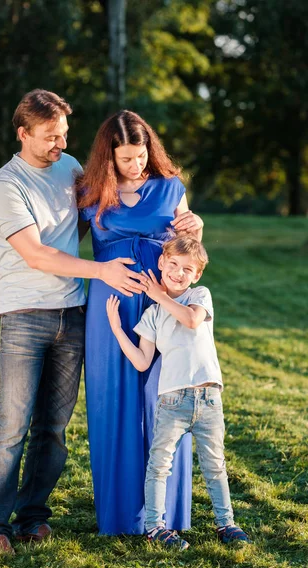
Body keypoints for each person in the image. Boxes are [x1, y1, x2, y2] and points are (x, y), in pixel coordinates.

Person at [0, 90, 147, 554]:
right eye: (51, 136)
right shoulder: (5, 185)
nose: (60, 144)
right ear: (23, 134)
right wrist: (102, 271)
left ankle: (33, 517)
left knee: (53, 426)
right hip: (24, 316)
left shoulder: (71, 168)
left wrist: (184, 218)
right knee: (12, 425)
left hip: (73, 314)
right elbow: (35, 253)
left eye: (65, 135)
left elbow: (112, 206)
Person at [77, 110, 204, 535]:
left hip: (160, 303)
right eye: (126, 158)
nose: (136, 165)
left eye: (142, 155)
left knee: (164, 400)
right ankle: (118, 515)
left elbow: (189, 249)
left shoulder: (170, 189)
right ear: (108, 157)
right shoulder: (91, 192)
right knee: (111, 401)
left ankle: (166, 513)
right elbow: (58, 242)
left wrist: (198, 226)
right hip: (109, 305)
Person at [106, 235, 250, 548]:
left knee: (215, 466)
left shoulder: (199, 295)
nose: (178, 272)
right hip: (172, 401)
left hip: (209, 398)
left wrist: (158, 295)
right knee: (159, 465)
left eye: (187, 268)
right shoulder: (152, 316)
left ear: (196, 275)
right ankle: (155, 527)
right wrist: (117, 330)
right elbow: (143, 362)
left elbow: (191, 320)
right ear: (161, 263)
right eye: (172, 264)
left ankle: (226, 524)